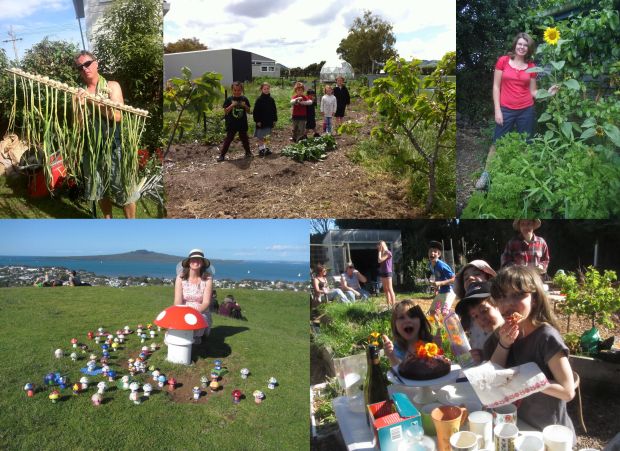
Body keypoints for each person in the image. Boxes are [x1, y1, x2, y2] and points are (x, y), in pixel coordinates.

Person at [485, 265, 575, 438]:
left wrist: (529, 381)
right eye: (502, 297)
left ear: (534, 299)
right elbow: (493, 374)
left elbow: (568, 391)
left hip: (549, 432)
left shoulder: (546, 337)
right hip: (519, 423)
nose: (508, 303)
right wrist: (504, 344)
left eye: (518, 295)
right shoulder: (506, 333)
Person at [476, 32, 560, 189]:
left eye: (526, 45)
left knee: (526, 143)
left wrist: (548, 94)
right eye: (520, 44)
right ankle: (486, 175)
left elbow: (533, 92)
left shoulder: (531, 67)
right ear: (515, 45)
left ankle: (521, 175)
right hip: (505, 109)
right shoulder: (503, 61)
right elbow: (496, 86)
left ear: (529, 49)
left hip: (526, 110)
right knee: (497, 142)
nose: (522, 47)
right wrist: (497, 110)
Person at [74, 50, 138, 218]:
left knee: (124, 191)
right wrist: (80, 106)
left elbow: (117, 116)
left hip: (114, 147)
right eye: (80, 67)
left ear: (96, 63)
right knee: (100, 190)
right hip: (92, 150)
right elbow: (79, 126)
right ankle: (108, 222)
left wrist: (92, 102)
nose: (85, 69)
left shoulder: (111, 86)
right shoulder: (79, 93)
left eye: (87, 64)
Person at [454, 281, 504, 363]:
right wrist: (480, 357)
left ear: (500, 305)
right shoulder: (488, 344)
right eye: (475, 316)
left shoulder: (517, 333)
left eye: (484, 310)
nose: (481, 318)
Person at [174, 249, 213, 344]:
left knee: (196, 323)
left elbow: (206, 302)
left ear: (203, 263)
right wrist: (181, 313)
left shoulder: (207, 279)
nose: (196, 262)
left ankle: (197, 338)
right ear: (189, 262)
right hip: (183, 309)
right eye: (193, 259)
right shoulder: (180, 278)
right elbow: (177, 301)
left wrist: (194, 313)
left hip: (201, 310)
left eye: (199, 260)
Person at [382, 300, 438, 366]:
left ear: (421, 321)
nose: (408, 320)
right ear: (395, 325)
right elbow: (399, 371)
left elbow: (438, 368)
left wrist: (437, 350)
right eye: (402, 317)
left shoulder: (430, 344)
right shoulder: (397, 348)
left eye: (412, 316)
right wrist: (392, 357)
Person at [218, 81, 252, 162]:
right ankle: (222, 155)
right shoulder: (229, 99)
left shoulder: (244, 99)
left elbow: (248, 111)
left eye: (239, 90)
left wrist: (245, 106)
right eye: (235, 90)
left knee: (244, 138)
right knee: (228, 139)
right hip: (231, 124)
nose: (237, 92)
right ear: (232, 90)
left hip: (242, 123)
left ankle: (248, 152)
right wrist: (232, 105)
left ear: (242, 90)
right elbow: (225, 111)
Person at [428, 241, 456, 312]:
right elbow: (438, 277)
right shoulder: (430, 265)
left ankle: (455, 321)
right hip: (442, 292)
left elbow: (454, 279)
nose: (432, 253)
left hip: (450, 291)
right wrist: (436, 289)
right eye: (431, 251)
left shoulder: (441, 265)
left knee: (444, 312)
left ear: (439, 254)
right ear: (428, 253)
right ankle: (438, 323)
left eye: (435, 251)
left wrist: (440, 283)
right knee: (432, 312)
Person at [252, 82, 277, 157]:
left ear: (269, 89)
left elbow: (274, 110)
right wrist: (257, 121)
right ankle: (261, 149)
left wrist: (274, 120)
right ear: (261, 89)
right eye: (264, 89)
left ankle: (266, 148)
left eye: (267, 89)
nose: (266, 90)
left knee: (267, 136)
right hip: (261, 121)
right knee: (260, 136)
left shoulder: (271, 99)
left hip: (269, 121)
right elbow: (255, 111)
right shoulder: (259, 100)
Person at [377, 240, 396, 308]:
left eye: (381, 245)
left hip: (388, 272)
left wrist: (379, 251)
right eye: (379, 246)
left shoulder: (388, 253)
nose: (380, 247)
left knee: (390, 288)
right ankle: (388, 305)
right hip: (382, 272)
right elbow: (379, 260)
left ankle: (393, 306)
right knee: (385, 289)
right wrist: (380, 252)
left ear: (384, 245)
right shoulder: (382, 253)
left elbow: (379, 260)